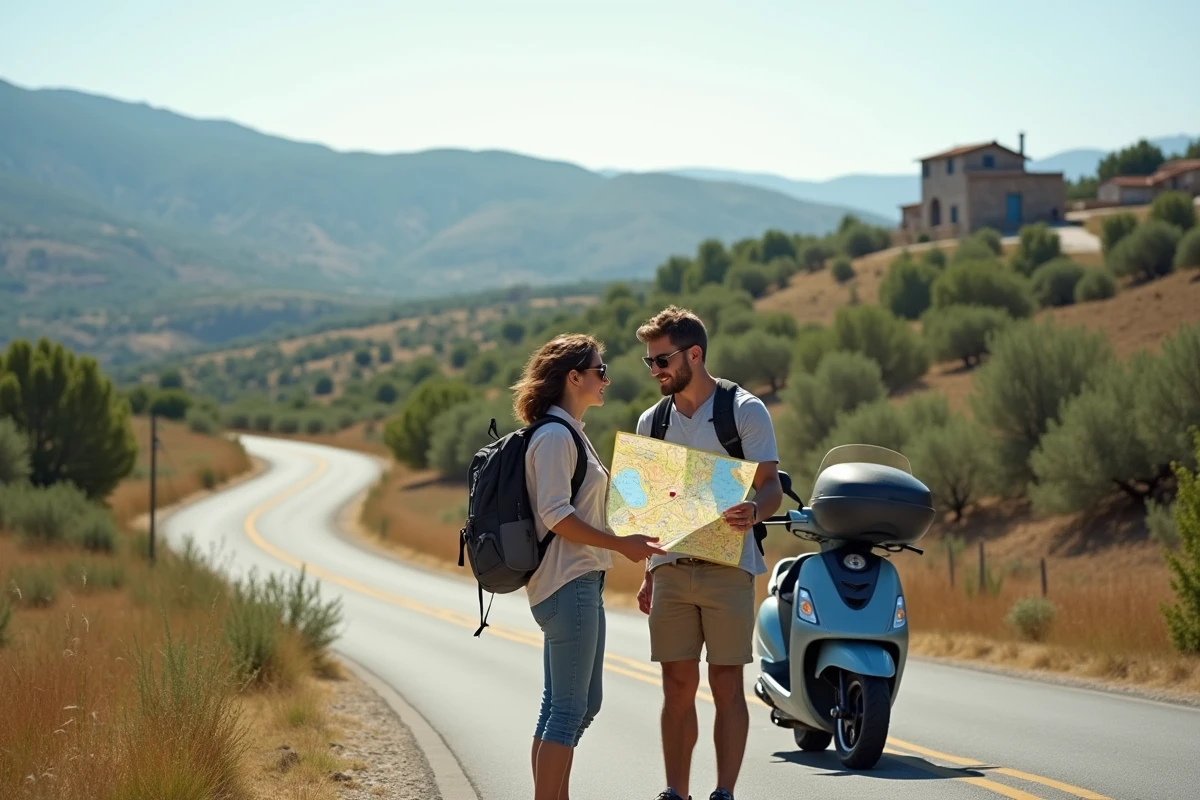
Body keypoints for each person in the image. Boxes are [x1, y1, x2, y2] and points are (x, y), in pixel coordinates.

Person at [633, 306, 783, 800]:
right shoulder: (651, 422)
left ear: (693, 355)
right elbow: (650, 510)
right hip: (672, 570)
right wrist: (651, 572)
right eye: (650, 361)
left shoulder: (744, 410)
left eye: (661, 360)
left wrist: (754, 513)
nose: (654, 370)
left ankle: (723, 793)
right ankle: (675, 793)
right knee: (675, 686)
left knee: (725, 685)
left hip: (729, 567)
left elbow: (770, 490)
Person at [514, 333, 667, 800]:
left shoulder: (567, 433)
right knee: (569, 709)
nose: (607, 378)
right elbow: (556, 515)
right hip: (569, 584)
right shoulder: (556, 436)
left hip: (572, 585)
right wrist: (620, 545)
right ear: (573, 377)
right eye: (600, 370)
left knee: (570, 706)